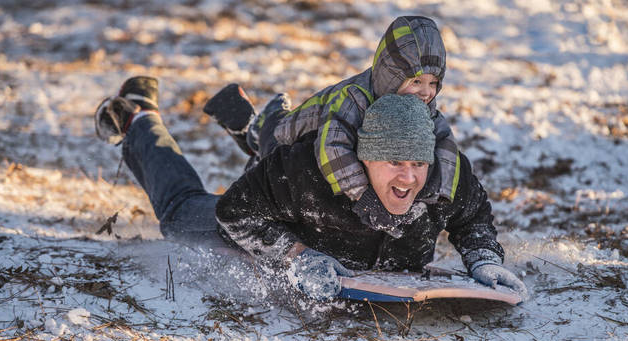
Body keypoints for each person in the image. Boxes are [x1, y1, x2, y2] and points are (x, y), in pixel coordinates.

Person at [95, 77, 529, 302]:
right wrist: (297, 256)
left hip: (277, 176)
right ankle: (139, 119)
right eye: (394, 162)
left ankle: (258, 133)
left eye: (417, 163)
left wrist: (483, 257)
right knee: (178, 213)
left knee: (268, 163)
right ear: (364, 158)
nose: (408, 178)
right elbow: (236, 213)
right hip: (272, 213)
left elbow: (472, 215)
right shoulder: (313, 174)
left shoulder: (444, 177)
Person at [205, 16, 462, 234]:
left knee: (257, 147)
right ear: (390, 74)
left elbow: (445, 142)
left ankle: (250, 130)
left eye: (433, 83)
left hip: (313, 139)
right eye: (416, 82)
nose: (425, 93)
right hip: (293, 137)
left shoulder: (420, 107)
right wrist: (363, 196)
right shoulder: (353, 98)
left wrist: (436, 193)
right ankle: (262, 120)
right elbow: (333, 148)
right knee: (265, 153)